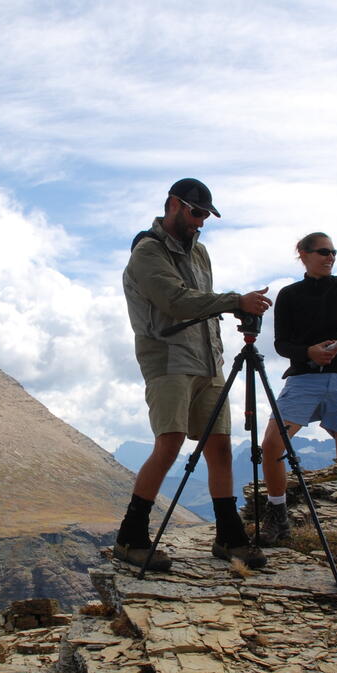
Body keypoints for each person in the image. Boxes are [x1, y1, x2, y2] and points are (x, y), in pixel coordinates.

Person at [115, 178, 273, 571]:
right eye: (195, 212)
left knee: (219, 445)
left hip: (208, 361)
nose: (200, 222)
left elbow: (202, 307)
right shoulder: (147, 253)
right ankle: (131, 536)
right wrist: (236, 302)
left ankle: (228, 535)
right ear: (173, 205)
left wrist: (226, 320)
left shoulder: (199, 253)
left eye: (206, 215)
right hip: (168, 359)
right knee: (168, 444)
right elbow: (176, 301)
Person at [258, 232, 337, 568]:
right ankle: (278, 517)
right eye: (323, 252)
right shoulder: (289, 295)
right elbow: (281, 345)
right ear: (302, 254)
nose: (330, 257)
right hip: (303, 378)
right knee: (273, 444)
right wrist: (309, 352)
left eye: (333, 252)